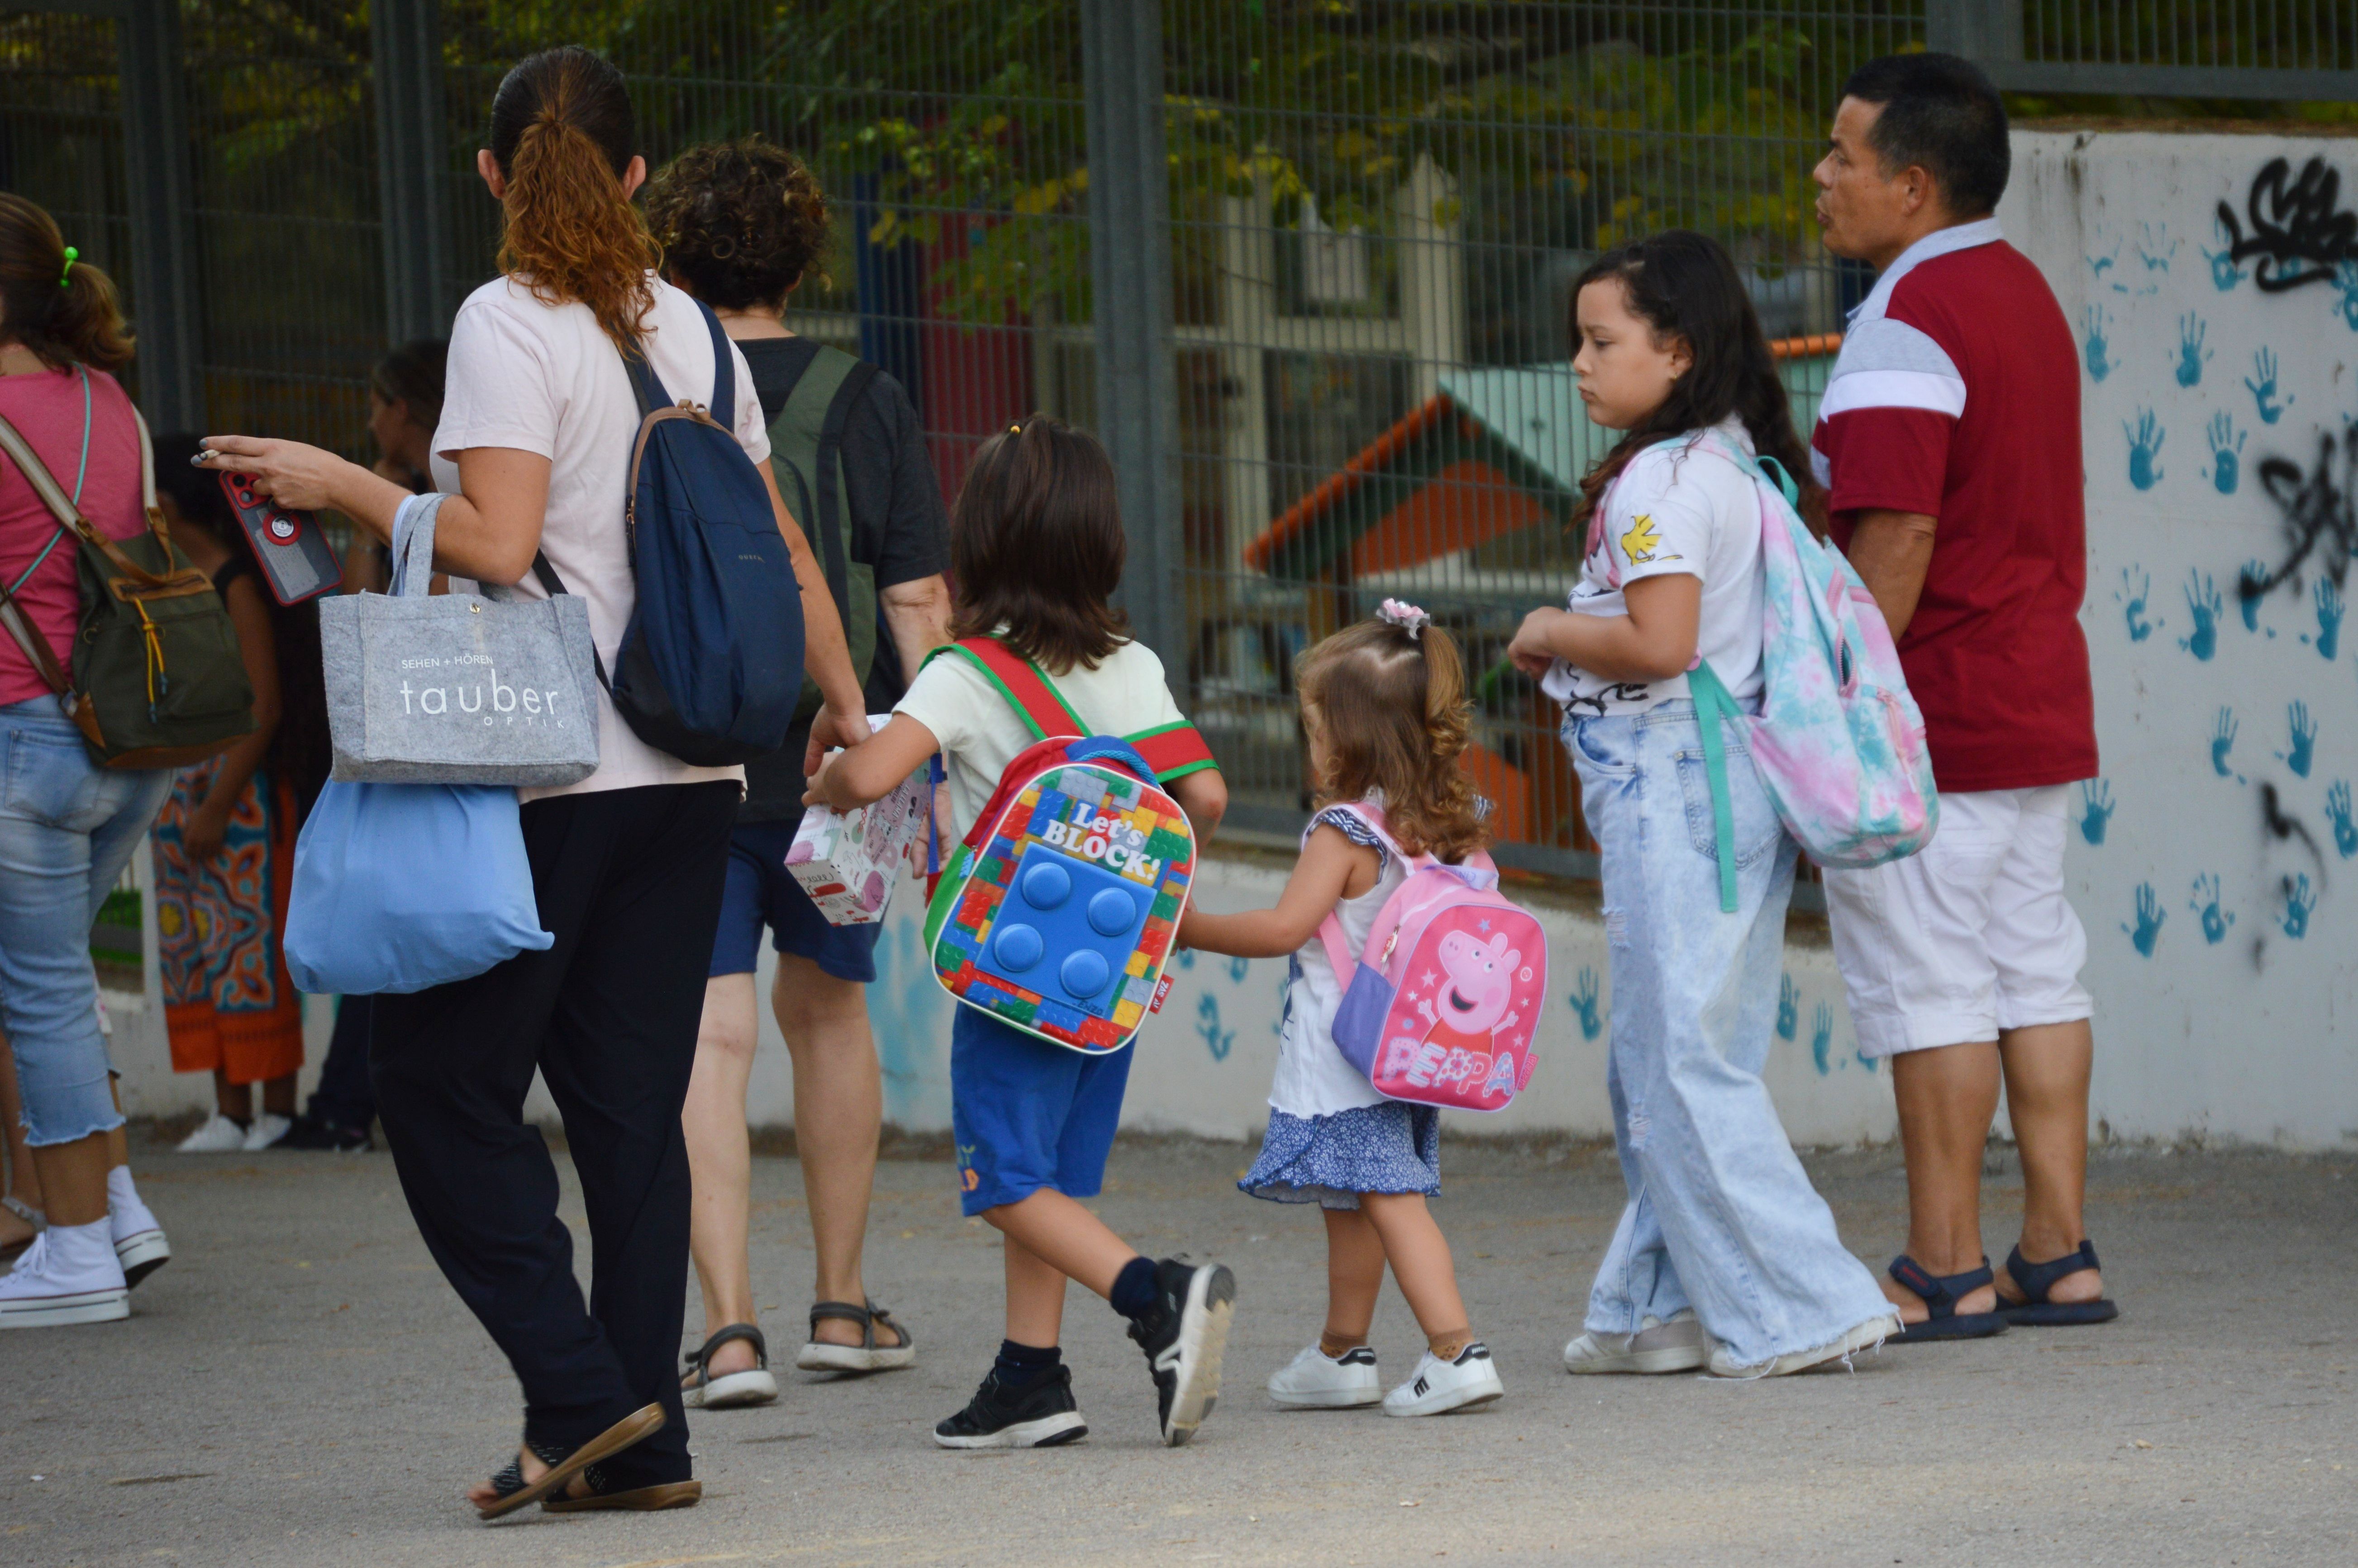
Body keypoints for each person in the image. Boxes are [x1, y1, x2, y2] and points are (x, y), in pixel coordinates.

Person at [194, 44, 873, 1514]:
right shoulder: (692, 327)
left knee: (438, 1087)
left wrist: (346, 484)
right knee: (629, 1108)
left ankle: (585, 1398)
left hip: (549, 773)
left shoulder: (507, 322)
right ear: (635, 178)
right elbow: (781, 541)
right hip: (695, 768)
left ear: (494, 176)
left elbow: (497, 545)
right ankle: (645, 1446)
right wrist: (838, 698)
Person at [1506, 230, 1901, 1378]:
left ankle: (1805, 1303)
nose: (1577, 363)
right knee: (1675, 1050)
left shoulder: (1661, 480)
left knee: (1680, 1057)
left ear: (1674, 351)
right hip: (1723, 787)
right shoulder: (1737, 464)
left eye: (1599, 340)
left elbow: (1659, 643)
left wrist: (1545, 630)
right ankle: (1652, 1307)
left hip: (1674, 781)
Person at [805, 414, 1235, 1449]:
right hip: (1110, 970)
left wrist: (827, 762)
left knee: (1003, 1176)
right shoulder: (1131, 665)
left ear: (979, 543)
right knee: (1050, 1178)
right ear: (1101, 539)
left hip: (1009, 968)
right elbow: (1207, 796)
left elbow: (866, 774)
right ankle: (1028, 1379)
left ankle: (1155, 1294)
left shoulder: (962, 672)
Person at [642, 138, 953, 1406]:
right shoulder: (861, 394)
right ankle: (841, 1298)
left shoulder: (638, 383)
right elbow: (922, 594)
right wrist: (930, 757)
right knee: (830, 1015)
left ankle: (725, 1332)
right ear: (806, 252)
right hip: (843, 759)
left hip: (680, 751)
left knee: (707, 1038)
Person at [1810, 53, 2112, 1338]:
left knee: (1928, 983)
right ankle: (2057, 1251)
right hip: (2036, 693)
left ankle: (1943, 1264)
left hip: (1929, 710)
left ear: (1911, 185)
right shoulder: (2021, 293)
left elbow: (1895, 541)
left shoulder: (1905, 319)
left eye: (1841, 156)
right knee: (2035, 970)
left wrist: (1837, 708)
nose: (1821, 179)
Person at [1179, 608, 1505, 1417]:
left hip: (1347, 1053)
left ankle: (1456, 1348)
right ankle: (1342, 1350)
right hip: (1409, 1047)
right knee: (1354, 1197)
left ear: (1353, 738)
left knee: (1387, 1199)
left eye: (1317, 728)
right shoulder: (1446, 824)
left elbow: (1284, 929)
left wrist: (1183, 925)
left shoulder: (1344, 831)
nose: (1311, 744)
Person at [0, 193, 175, 1327]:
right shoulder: (110, 403)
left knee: (45, 993)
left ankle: (72, 1251)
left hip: (24, 737)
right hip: (130, 739)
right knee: (61, 978)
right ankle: (111, 1203)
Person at [277, 340, 449, 1156]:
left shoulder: (446, 490)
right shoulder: (396, 496)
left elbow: (374, 608)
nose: (369, 416)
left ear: (403, 407)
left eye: (378, 401)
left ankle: (349, 1100)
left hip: (425, 716)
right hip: (395, 715)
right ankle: (350, 1097)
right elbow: (353, 602)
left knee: (390, 901)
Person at [149, 434, 330, 1153]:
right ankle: (229, 1108)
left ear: (163, 503)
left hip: (241, 798)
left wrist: (219, 801)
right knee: (196, 948)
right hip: (184, 793)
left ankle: (274, 1108)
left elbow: (266, 704)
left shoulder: (235, 583)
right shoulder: (169, 576)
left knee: (253, 950)